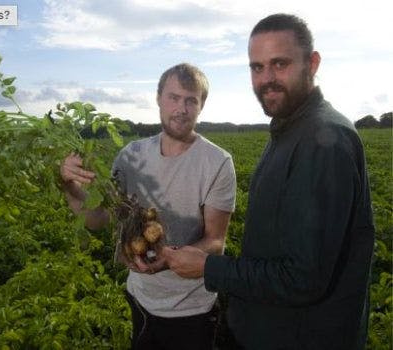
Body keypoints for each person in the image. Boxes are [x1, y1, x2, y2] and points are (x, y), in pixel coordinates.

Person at [163, 13, 375, 350]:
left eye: (280, 64)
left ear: (313, 63)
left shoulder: (324, 141)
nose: (267, 79)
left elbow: (303, 279)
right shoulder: (288, 130)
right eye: (257, 67)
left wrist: (209, 268)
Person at [59, 63, 236, 349]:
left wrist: (169, 257)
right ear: (158, 99)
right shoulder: (131, 156)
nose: (181, 108)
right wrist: (67, 185)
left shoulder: (217, 162)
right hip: (140, 300)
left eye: (191, 100)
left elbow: (216, 241)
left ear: (201, 106)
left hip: (192, 310)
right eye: (174, 97)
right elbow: (99, 219)